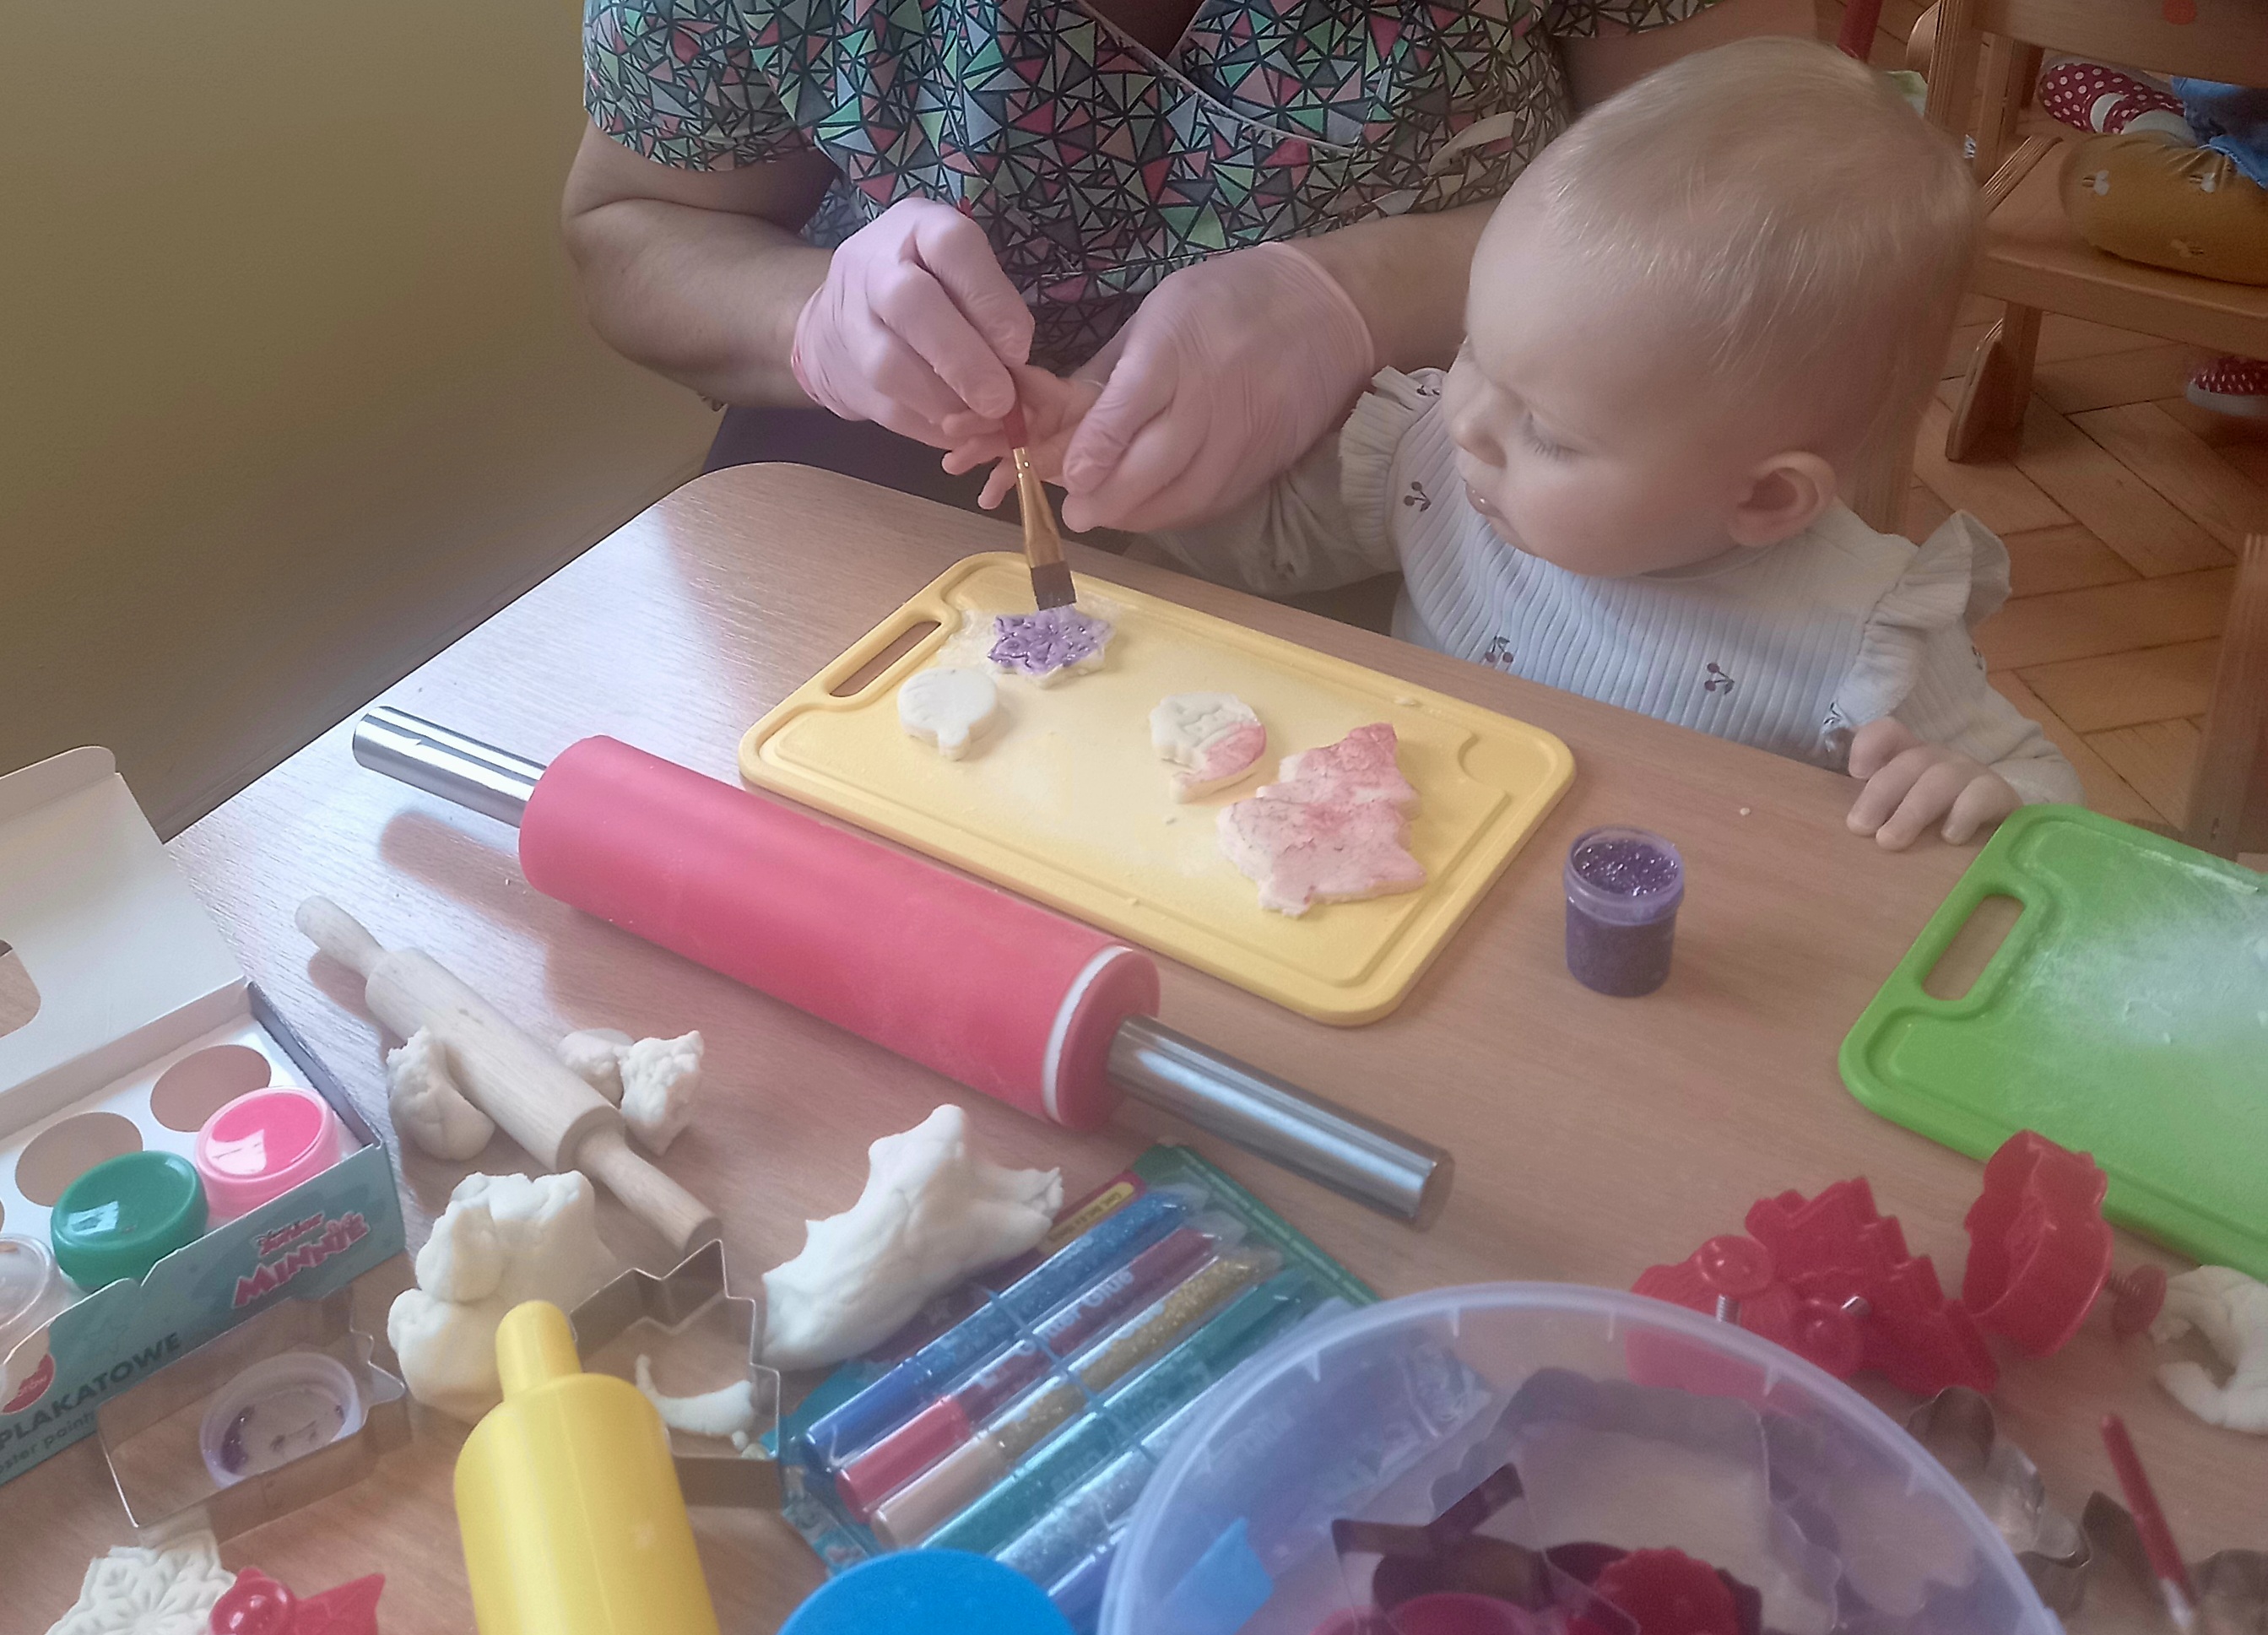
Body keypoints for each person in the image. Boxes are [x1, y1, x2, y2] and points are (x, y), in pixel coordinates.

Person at [965, 41, 2082, 849]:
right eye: (1474, 354)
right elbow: (1264, 549)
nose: (1468, 420)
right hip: (1421, 878)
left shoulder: (1870, 640)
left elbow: (2045, 798)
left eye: (1546, 429)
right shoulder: (1439, 464)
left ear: (1764, 501)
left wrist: (1984, 799)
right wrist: (1113, 465)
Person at [563, 0, 1815, 531]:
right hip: (904, 499)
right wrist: (810, 319)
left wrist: (1361, 296)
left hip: (1481, 474)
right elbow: (632, 225)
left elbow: (1754, 197)